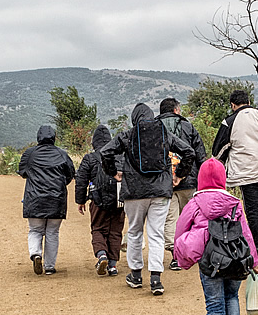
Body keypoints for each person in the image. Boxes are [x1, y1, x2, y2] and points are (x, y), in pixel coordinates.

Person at [99, 103, 195, 295]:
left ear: (135, 118)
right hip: (161, 191)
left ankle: (135, 275)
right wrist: (179, 175)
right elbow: (189, 152)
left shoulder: (128, 135)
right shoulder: (163, 133)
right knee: (156, 233)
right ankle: (156, 279)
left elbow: (105, 152)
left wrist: (115, 173)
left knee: (134, 232)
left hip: (134, 191)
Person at [174, 158, 258, 315]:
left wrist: (181, 256)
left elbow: (180, 229)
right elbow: (246, 233)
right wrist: (253, 261)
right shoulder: (234, 203)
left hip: (210, 260)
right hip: (235, 259)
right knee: (231, 297)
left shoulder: (195, 203)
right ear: (223, 179)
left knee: (214, 304)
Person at [211, 90, 258, 268]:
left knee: (255, 212)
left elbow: (217, 151)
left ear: (233, 105)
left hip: (248, 174)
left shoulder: (230, 121)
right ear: (249, 101)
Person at [156, 97, 207, 271]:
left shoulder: (155, 128)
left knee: (170, 219)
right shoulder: (188, 126)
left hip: (164, 182)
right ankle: (192, 252)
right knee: (191, 217)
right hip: (189, 180)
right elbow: (199, 154)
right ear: (177, 110)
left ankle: (175, 256)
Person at [18, 125, 76, 275]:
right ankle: (49, 266)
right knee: (52, 232)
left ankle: (36, 254)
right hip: (56, 200)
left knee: (35, 230)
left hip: (34, 198)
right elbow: (70, 174)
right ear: (54, 137)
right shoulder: (62, 154)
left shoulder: (30, 153)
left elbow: (22, 171)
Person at [75, 125, 126, 277]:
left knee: (98, 228)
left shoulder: (90, 158)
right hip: (119, 200)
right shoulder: (120, 156)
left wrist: (81, 200)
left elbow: (81, 181)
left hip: (99, 200)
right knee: (116, 231)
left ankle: (101, 255)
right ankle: (113, 265)